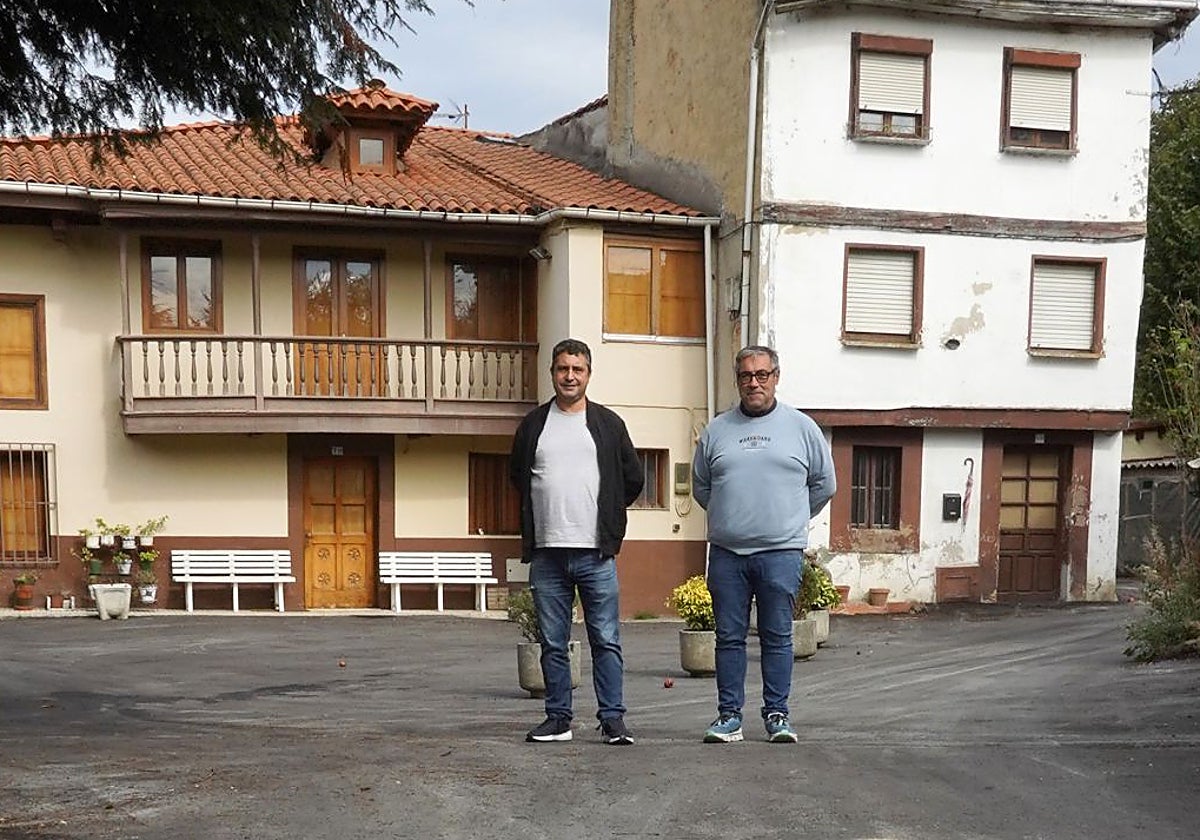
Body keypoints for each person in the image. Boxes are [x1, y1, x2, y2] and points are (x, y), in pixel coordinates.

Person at [691, 345, 836, 743]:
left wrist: (787, 518)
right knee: (729, 638)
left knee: (777, 636)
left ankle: (777, 715)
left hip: (780, 554)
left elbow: (825, 485)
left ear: (776, 377)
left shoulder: (802, 428)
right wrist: (732, 517)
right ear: (737, 380)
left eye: (762, 375)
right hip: (727, 554)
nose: (753, 383)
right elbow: (703, 487)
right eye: (745, 376)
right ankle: (729, 717)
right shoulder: (717, 430)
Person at [509, 338, 644, 745]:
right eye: (563, 368)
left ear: (588, 374)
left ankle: (613, 720)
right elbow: (518, 476)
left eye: (578, 369)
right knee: (552, 641)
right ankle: (558, 718)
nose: (570, 376)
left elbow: (633, 478)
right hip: (547, 554)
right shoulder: (533, 425)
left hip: (595, 553)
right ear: (552, 373)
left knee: (606, 639)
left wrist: (607, 520)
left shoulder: (608, 425)